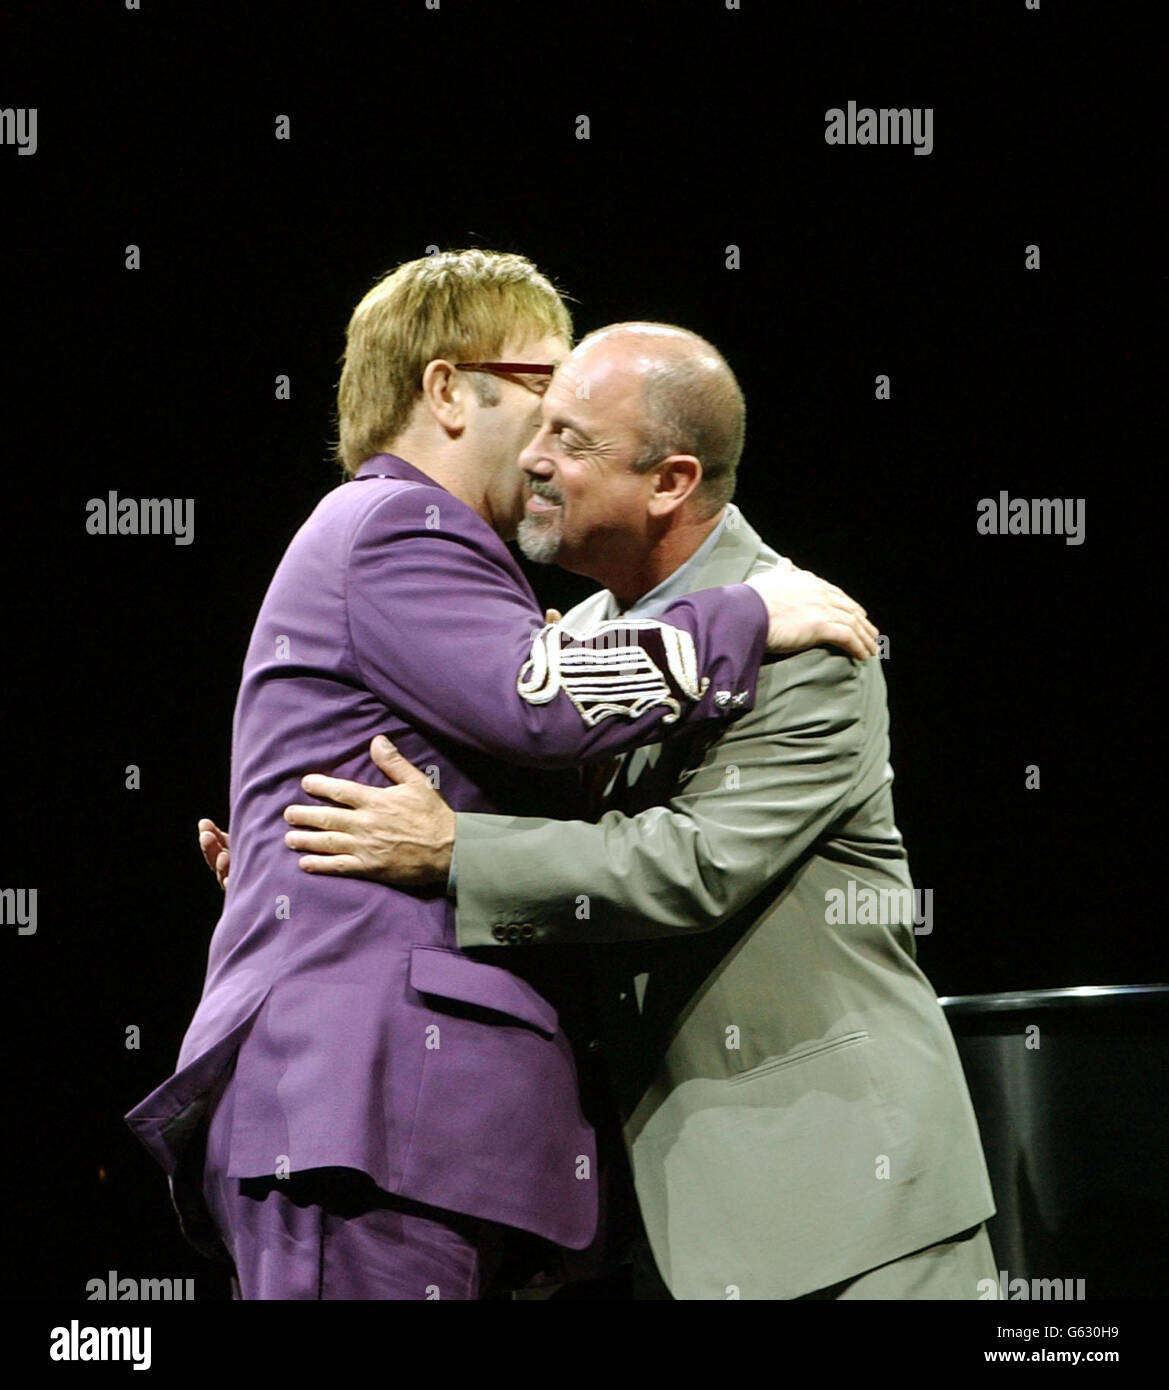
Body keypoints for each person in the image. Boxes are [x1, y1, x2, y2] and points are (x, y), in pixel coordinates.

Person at [127, 253, 877, 1302]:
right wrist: (742, 618)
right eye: (543, 387)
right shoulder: (400, 523)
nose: (552, 436)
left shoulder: (422, 546)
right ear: (446, 390)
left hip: (411, 1124)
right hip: (371, 1115)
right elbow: (537, 700)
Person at [248, 321, 999, 1300]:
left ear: (670, 482)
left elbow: (691, 866)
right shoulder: (579, 643)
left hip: (838, 1203)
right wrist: (294, 856)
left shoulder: (801, 633)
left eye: (570, 441)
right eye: (539, 426)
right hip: (649, 1213)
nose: (533, 458)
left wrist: (454, 851)